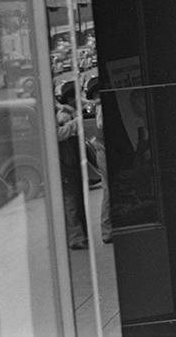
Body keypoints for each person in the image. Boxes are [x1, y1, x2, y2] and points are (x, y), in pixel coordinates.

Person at [55, 82, 89, 250]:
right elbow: (59, 135)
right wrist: (74, 123)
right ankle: (76, 237)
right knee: (71, 200)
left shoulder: (60, 112)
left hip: (69, 158)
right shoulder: (63, 115)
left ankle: (80, 234)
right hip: (65, 159)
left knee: (74, 198)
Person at [86, 80, 113, 244]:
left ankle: (108, 229)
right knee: (108, 190)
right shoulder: (102, 108)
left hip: (102, 148)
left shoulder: (99, 106)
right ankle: (107, 230)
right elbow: (102, 125)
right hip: (103, 150)